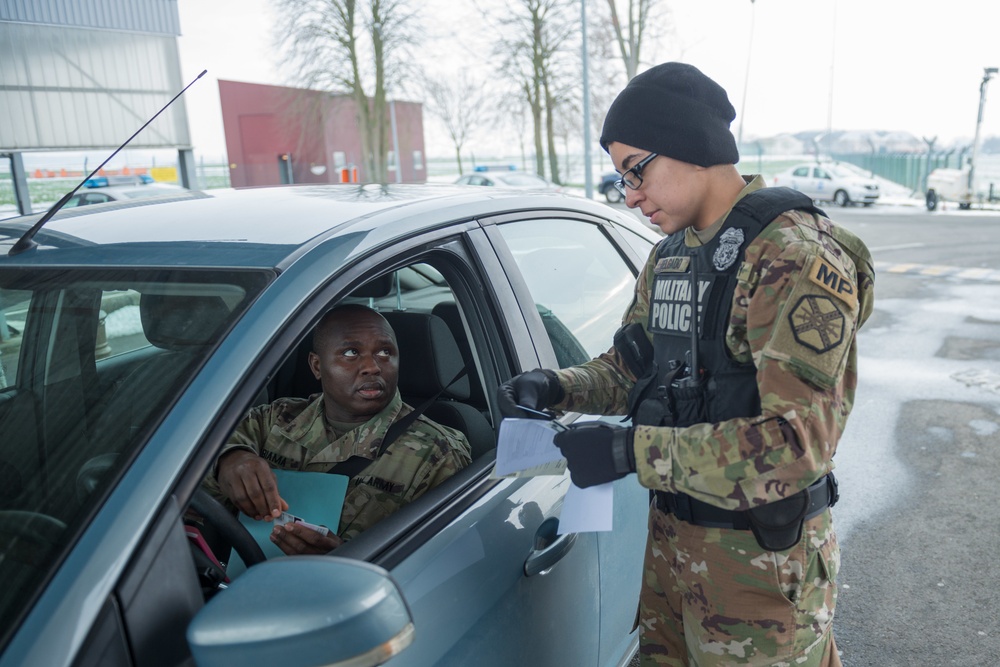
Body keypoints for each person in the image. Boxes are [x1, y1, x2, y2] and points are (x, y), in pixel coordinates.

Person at [498, 62, 874, 666]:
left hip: (761, 568)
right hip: (674, 547)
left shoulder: (793, 256)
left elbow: (800, 443)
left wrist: (629, 452)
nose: (630, 194)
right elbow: (631, 369)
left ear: (689, 146)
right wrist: (557, 387)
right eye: (621, 177)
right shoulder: (671, 256)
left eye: (635, 171)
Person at [205, 304, 471, 555]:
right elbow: (190, 464)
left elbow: (446, 563)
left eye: (385, 352)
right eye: (351, 353)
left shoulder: (437, 453)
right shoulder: (274, 419)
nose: (372, 367)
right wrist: (229, 459)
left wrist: (350, 561)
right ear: (317, 366)